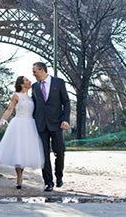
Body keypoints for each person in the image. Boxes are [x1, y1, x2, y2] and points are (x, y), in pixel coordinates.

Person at [0, 76, 44, 189]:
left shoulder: (32, 98)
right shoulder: (16, 96)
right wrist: (1, 121)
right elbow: (10, 109)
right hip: (19, 124)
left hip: (30, 124)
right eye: (26, 80)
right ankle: (19, 177)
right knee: (18, 150)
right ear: (21, 84)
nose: (29, 81)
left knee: (25, 151)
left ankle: (21, 174)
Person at [31, 62, 71, 192]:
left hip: (57, 123)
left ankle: (59, 176)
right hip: (41, 124)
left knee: (60, 152)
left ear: (42, 70)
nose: (33, 74)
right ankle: (48, 182)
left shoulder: (59, 82)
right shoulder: (34, 86)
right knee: (44, 155)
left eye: (35, 71)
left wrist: (65, 119)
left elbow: (66, 102)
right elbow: (34, 105)